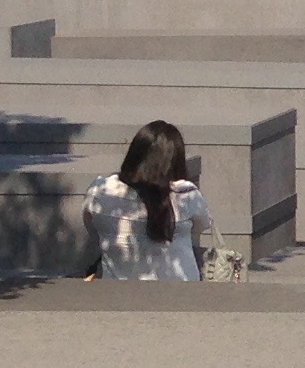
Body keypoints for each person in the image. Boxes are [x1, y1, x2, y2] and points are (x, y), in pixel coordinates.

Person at [86, 119, 220, 281]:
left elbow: (91, 227)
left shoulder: (100, 191)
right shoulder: (186, 195)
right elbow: (201, 226)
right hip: (181, 291)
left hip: (117, 292)